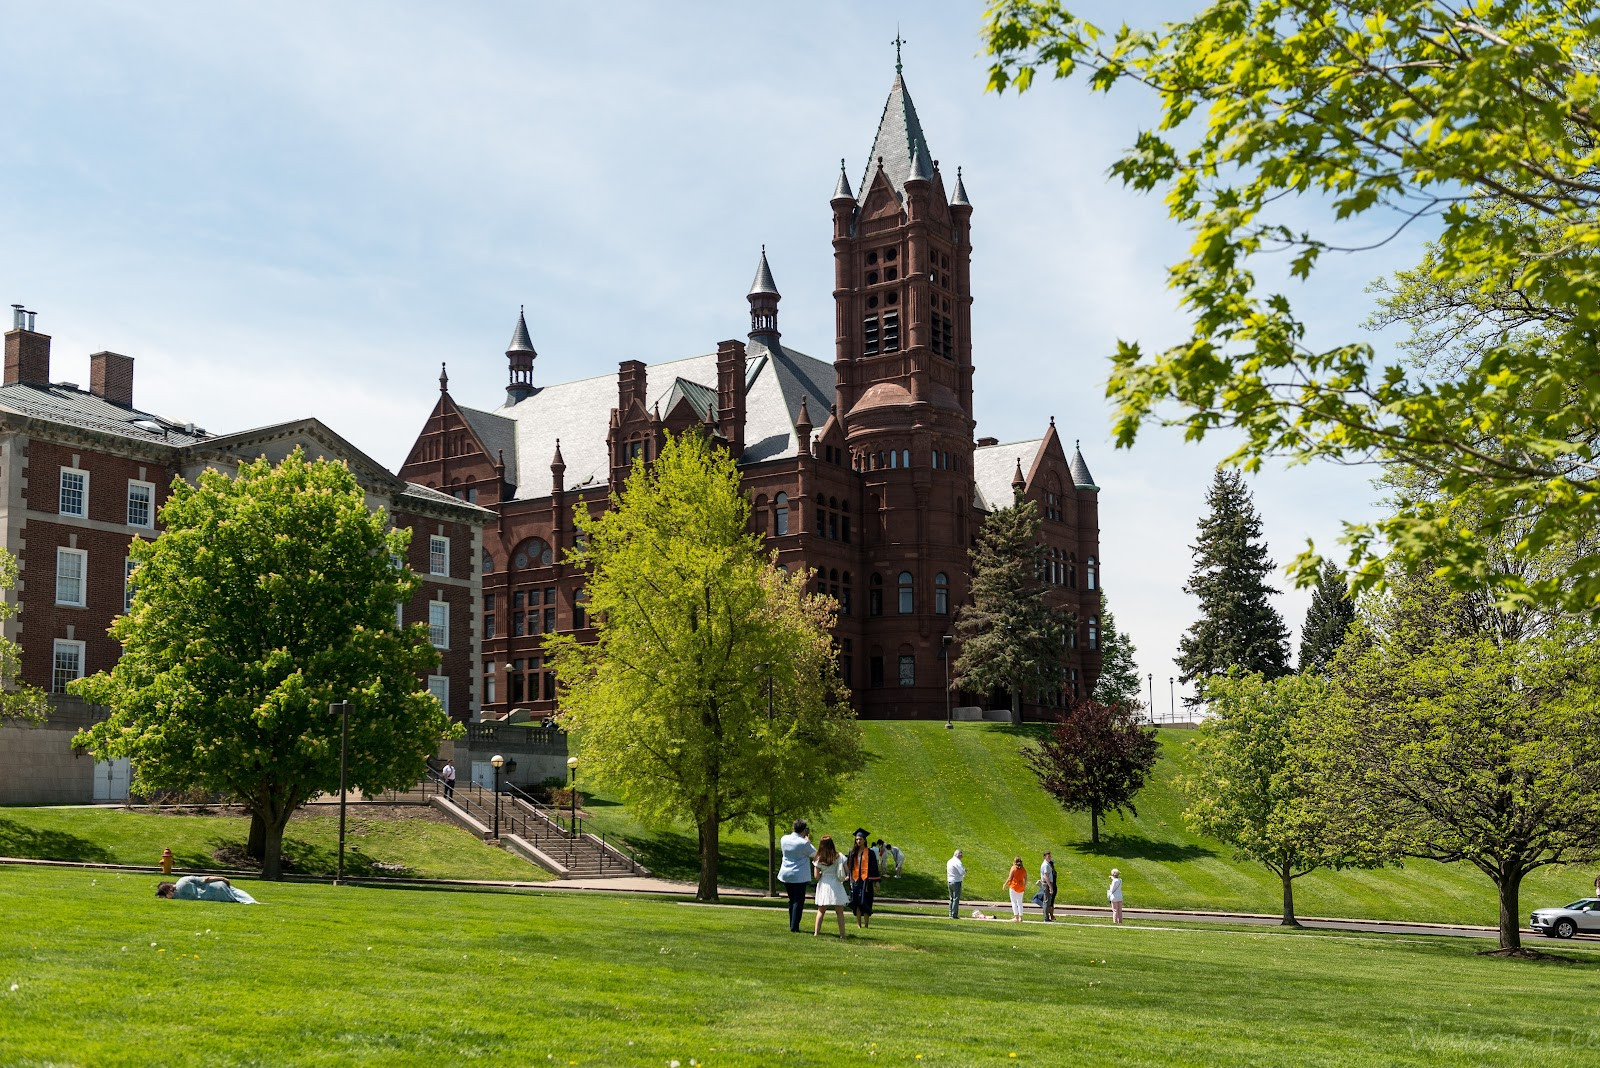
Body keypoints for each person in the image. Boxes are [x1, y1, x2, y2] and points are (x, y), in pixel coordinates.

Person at [777, 818, 817, 933]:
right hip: (798, 876)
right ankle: (794, 927)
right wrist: (808, 840)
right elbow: (815, 853)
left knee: (791, 900)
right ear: (804, 830)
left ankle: (792, 923)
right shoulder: (804, 843)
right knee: (798, 901)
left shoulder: (784, 839)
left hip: (786, 874)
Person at [812, 835, 849, 938]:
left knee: (821, 910)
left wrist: (821, 872)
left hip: (824, 883)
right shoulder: (839, 856)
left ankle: (816, 932)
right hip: (836, 883)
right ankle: (842, 934)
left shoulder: (819, 858)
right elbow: (847, 870)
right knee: (839, 911)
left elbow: (816, 876)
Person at [846, 828, 881, 929]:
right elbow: (849, 866)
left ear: (865, 840)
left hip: (866, 881)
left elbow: (874, 868)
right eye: (857, 839)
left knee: (865, 901)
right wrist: (848, 876)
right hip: (855, 880)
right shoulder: (852, 853)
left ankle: (866, 924)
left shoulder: (870, 853)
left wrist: (877, 882)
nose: (858, 841)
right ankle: (858, 924)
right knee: (856, 902)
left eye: (860, 839)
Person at [156, 875, 258, 904]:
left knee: (237, 898)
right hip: (218, 887)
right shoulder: (183, 880)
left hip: (217, 895)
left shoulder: (178, 897)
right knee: (238, 893)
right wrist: (222, 878)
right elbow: (205, 879)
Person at [1004, 857, 1028, 923]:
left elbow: (1009, 878)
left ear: (1014, 862)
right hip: (1021, 887)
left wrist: (1005, 884)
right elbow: (1026, 878)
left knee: (1014, 902)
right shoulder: (1023, 869)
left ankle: (1016, 917)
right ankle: (1020, 918)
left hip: (1013, 886)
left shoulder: (1013, 868)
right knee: (1020, 903)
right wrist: (1024, 886)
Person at [946, 848, 966, 919]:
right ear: (958, 855)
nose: (961, 857)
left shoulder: (949, 861)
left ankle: (950, 913)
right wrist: (965, 871)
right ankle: (954, 914)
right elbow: (962, 872)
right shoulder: (957, 862)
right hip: (956, 881)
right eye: (961, 855)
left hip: (949, 880)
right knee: (956, 898)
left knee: (951, 898)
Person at [1039, 850, 1058, 922]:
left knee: (1048, 900)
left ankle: (1047, 917)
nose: (1050, 857)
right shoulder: (1045, 865)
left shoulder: (1048, 864)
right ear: (1044, 857)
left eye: (1050, 856)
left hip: (1049, 883)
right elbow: (1046, 877)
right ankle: (1046, 918)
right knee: (1046, 901)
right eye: (1048, 856)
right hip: (1047, 883)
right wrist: (1050, 886)